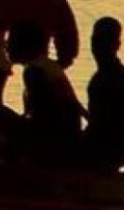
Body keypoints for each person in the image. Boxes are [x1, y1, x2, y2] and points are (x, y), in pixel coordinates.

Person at [12, 21, 85, 163]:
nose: (6, 46)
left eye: (11, 41)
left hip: (54, 140)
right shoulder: (46, 66)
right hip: (62, 136)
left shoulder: (34, 71)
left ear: (24, 45)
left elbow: (41, 115)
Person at [81, 14, 124, 170]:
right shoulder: (108, 76)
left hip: (106, 155)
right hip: (110, 153)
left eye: (103, 41)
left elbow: (101, 130)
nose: (97, 46)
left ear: (116, 45)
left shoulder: (110, 79)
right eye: (95, 40)